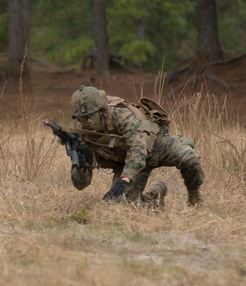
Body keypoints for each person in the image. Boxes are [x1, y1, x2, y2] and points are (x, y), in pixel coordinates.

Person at [66, 86, 204, 206]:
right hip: (128, 163)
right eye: (84, 118)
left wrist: (124, 180)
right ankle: (154, 196)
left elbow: (138, 147)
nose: (89, 121)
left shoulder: (120, 115)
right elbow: (81, 185)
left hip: (156, 145)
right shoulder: (82, 135)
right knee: (119, 204)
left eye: (92, 115)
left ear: (101, 110)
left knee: (189, 158)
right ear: (77, 118)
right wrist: (80, 167)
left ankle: (194, 196)